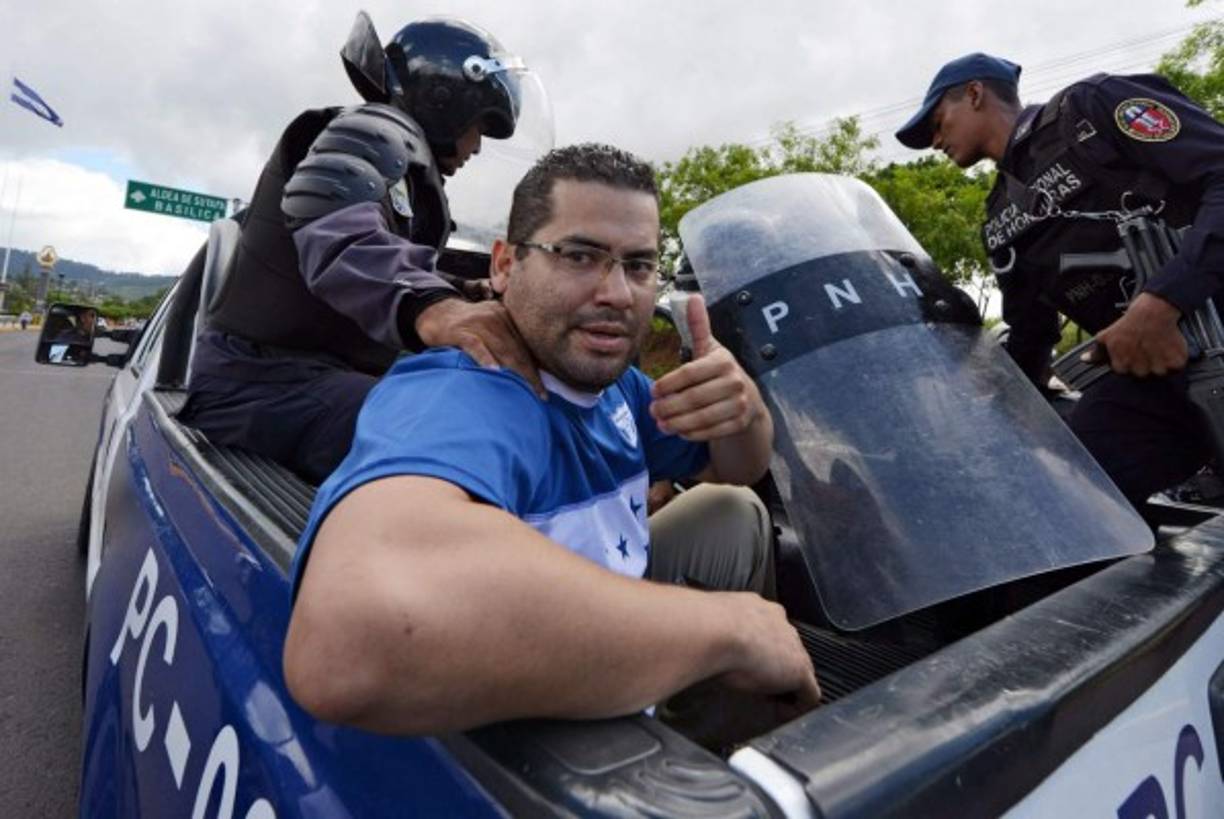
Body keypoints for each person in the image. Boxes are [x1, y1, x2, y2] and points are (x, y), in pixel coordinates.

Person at [283, 144, 821, 742]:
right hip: (533, 736)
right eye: (580, 255)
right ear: (506, 265)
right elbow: (345, 645)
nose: (617, 292)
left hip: (619, 613)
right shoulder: (462, 394)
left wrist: (743, 412)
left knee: (731, 511)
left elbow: (736, 468)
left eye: (639, 265)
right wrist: (731, 631)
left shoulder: (621, 390)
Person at [180, 13, 548, 483]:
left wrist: (472, 292)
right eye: (478, 125)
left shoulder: (407, 174)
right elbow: (333, 224)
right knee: (463, 432)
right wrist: (434, 309)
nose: (476, 146)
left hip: (307, 381)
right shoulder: (371, 130)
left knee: (478, 407)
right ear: (443, 100)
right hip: (260, 385)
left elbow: (390, 260)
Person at [895, 53, 1220, 508]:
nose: (932, 141)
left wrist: (1164, 300)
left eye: (935, 121)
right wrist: (970, 410)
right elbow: (1031, 336)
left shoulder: (1092, 109)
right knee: (1064, 498)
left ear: (974, 94)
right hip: (1153, 378)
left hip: (1212, 323)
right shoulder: (1000, 219)